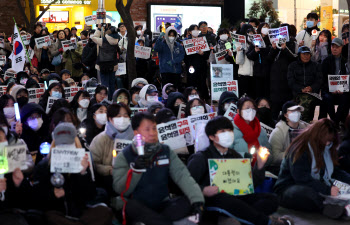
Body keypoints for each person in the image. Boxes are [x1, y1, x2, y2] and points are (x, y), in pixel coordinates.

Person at [187, 116, 293, 225]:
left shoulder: (234, 155)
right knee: (226, 200)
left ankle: (245, 217)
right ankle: (268, 222)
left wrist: (260, 165)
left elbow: (250, 183)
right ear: (212, 137)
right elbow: (185, 184)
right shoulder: (201, 158)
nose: (228, 134)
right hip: (211, 201)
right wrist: (203, 189)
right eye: (223, 131)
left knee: (271, 199)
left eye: (229, 130)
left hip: (236, 196)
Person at [112, 112, 204, 225]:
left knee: (188, 201)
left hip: (163, 204)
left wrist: (197, 201)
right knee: (131, 207)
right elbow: (119, 188)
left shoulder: (165, 151)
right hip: (138, 205)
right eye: (147, 129)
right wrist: (135, 170)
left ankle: (152, 222)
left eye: (154, 128)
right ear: (136, 133)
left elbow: (182, 175)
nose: (152, 133)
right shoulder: (125, 155)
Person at [32, 122, 113, 225]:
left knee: (104, 212)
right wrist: (52, 194)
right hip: (56, 213)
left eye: (68, 143)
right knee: (50, 217)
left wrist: (83, 173)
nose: (65, 147)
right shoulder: (43, 166)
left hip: (78, 213)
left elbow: (90, 196)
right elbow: (36, 199)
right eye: (62, 144)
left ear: (75, 142)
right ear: (55, 143)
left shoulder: (81, 163)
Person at [274, 119, 350, 219]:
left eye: (330, 142)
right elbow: (301, 178)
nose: (327, 144)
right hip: (289, 188)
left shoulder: (326, 149)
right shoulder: (299, 149)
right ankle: (329, 208)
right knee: (307, 194)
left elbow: (335, 171)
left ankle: (332, 206)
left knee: (338, 188)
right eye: (326, 141)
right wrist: (327, 190)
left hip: (316, 185)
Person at [90, 103, 133, 195]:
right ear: (110, 119)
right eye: (118, 116)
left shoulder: (136, 138)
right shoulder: (100, 139)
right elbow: (94, 164)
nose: (122, 119)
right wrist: (109, 170)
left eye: (125, 115)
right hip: (109, 181)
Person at [268, 101, 308, 175]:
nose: (296, 113)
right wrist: (294, 154)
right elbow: (275, 157)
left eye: (298, 111)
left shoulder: (306, 128)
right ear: (286, 115)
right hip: (285, 169)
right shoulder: (278, 132)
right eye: (293, 111)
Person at [269, 24, 297, 119]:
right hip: (275, 77)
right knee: (275, 102)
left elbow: (293, 58)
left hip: (286, 76)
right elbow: (269, 59)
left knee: (286, 101)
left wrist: (285, 48)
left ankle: (287, 119)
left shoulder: (292, 42)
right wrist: (273, 48)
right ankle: (273, 121)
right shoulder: (274, 43)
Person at [287, 46, 322, 122]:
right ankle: (304, 122)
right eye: (304, 54)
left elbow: (319, 81)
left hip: (312, 93)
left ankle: (304, 122)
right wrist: (301, 89)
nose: (306, 56)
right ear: (299, 55)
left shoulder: (316, 66)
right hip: (297, 93)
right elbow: (291, 81)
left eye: (308, 54)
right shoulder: (292, 66)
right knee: (304, 100)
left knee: (308, 99)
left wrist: (311, 88)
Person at [321, 38, 350, 125]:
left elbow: (347, 78)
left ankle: (337, 121)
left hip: (342, 89)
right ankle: (335, 121)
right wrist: (331, 89)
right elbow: (323, 79)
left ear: (341, 47)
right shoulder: (326, 61)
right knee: (327, 98)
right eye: (333, 46)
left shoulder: (345, 62)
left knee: (346, 97)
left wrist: (342, 89)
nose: (334, 49)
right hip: (328, 89)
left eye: (337, 47)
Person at [92, 24, 120, 100]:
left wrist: (98, 29)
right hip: (113, 65)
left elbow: (93, 37)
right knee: (112, 84)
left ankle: (105, 100)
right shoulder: (116, 40)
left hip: (102, 65)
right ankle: (112, 99)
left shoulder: (102, 41)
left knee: (104, 84)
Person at [183, 24, 210, 100]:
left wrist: (203, 53)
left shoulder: (203, 41)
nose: (196, 32)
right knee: (192, 83)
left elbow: (207, 55)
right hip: (191, 67)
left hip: (202, 67)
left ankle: (203, 99)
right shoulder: (187, 42)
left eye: (197, 30)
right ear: (190, 32)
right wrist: (189, 65)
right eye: (194, 30)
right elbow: (185, 57)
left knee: (202, 83)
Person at [247, 22, 272, 99]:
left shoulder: (271, 41)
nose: (266, 29)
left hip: (269, 72)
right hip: (258, 72)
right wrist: (255, 51)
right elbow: (249, 56)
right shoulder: (255, 41)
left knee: (267, 94)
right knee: (258, 94)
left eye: (267, 27)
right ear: (260, 29)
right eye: (264, 27)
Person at [236, 24, 255, 98]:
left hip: (254, 75)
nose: (251, 35)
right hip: (243, 75)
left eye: (252, 33)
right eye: (249, 33)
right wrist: (240, 51)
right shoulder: (240, 44)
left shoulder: (255, 43)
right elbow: (239, 61)